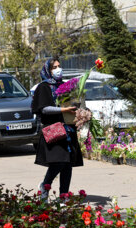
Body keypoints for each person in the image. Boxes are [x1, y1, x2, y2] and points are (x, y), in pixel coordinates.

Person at [31, 57, 84, 202]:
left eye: (59, 66)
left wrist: (81, 112)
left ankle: (64, 195)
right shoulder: (44, 87)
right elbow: (44, 109)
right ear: (48, 70)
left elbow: (75, 104)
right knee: (58, 162)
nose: (58, 69)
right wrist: (63, 109)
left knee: (67, 164)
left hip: (68, 129)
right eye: (54, 67)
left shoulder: (65, 86)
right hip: (54, 130)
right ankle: (45, 185)